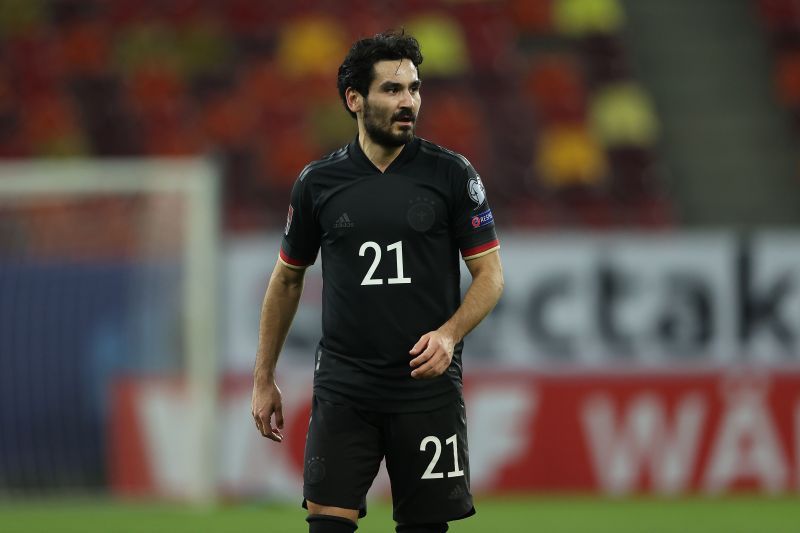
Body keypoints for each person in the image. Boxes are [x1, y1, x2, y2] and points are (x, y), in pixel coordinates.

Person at [251, 30, 503, 533]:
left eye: (413, 88)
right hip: (346, 386)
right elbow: (286, 282)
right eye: (391, 89)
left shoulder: (452, 175)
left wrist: (449, 336)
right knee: (327, 525)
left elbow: (490, 276)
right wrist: (263, 378)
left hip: (426, 389)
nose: (407, 101)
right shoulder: (318, 184)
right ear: (354, 99)